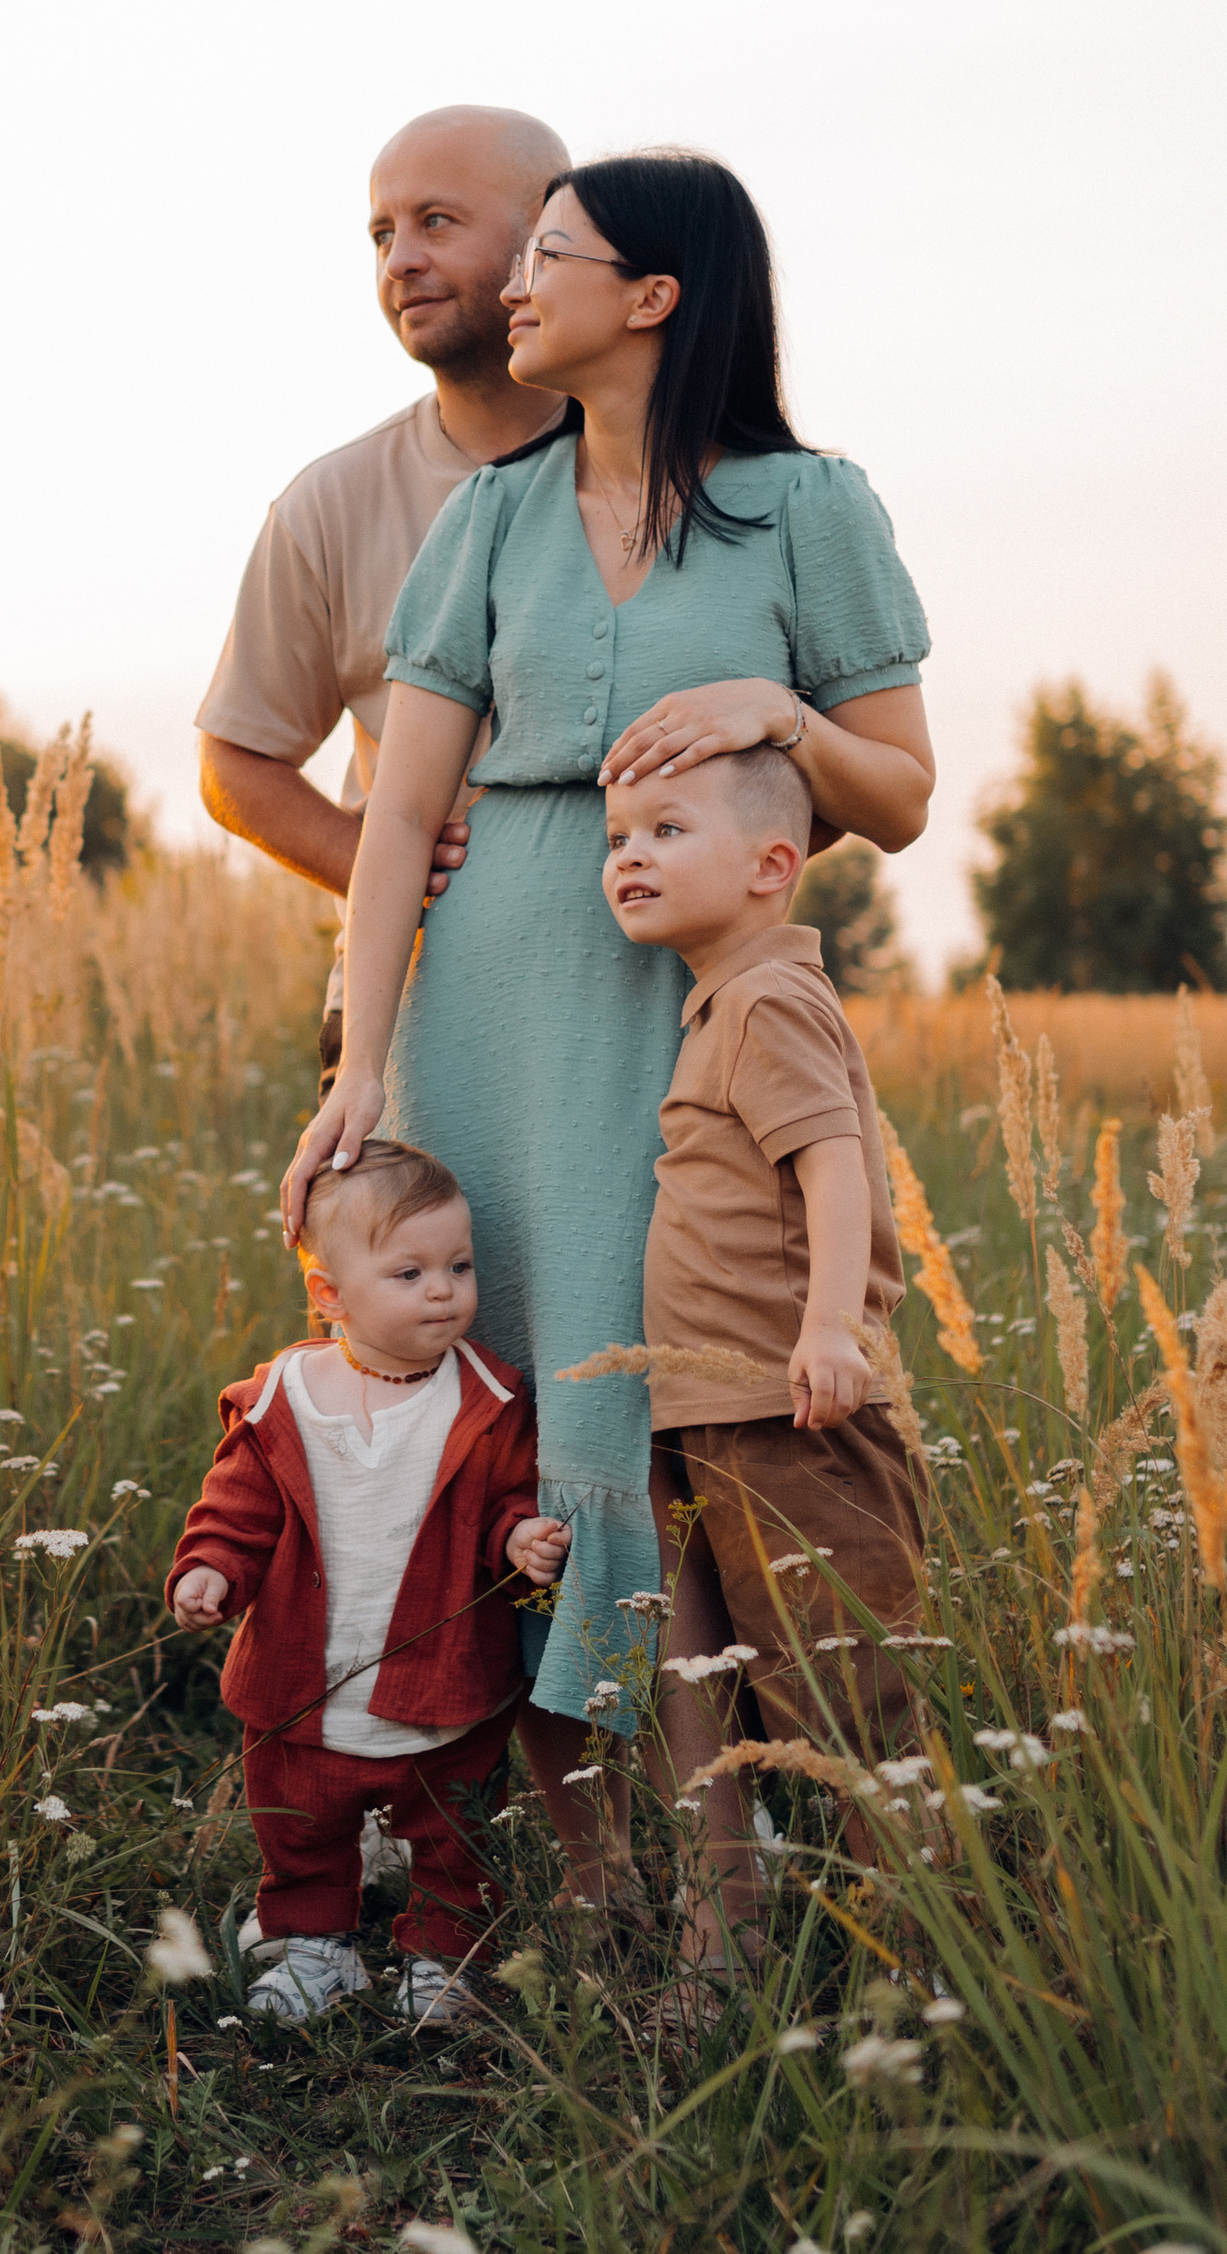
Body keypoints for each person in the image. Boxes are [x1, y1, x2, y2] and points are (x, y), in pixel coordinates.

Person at [279, 149, 934, 1920]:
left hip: (701, 1004)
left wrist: (779, 705)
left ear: (654, 297)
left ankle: (733, 1882)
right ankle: (586, 1883)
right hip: (492, 1012)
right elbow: (402, 819)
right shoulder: (486, 517)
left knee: (688, 1423)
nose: (512, 287)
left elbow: (904, 796)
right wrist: (362, 1074)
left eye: (550, 258)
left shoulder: (811, 507)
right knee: (529, 1436)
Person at [598, 743, 925, 1996]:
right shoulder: (716, 1000)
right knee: (759, 1680)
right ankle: (822, 1942)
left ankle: (921, 1959)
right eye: (619, 835)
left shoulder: (769, 1002)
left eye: (666, 828)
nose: (628, 853)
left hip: (788, 1405)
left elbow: (833, 1163)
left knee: (847, 1689)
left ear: (771, 866)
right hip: (715, 1406)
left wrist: (829, 1326)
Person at [197, 107, 572, 1086]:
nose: (399, 258)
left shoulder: (684, 477)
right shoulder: (332, 500)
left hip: (644, 1000)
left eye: (436, 222)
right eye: (380, 233)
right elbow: (234, 758)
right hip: (402, 1012)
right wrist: (388, 867)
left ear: (551, 235)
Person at [167, 1142, 569, 2029]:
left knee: (452, 1828)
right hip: (303, 1680)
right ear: (330, 1297)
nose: (444, 1290)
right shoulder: (285, 1398)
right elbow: (238, 1506)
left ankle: (445, 1956)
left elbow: (504, 1500)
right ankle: (317, 1947)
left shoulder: (487, 1399)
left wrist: (522, 1538)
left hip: (443, 1675)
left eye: (459, 1266)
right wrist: (211, 1569)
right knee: (299, 1825)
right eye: (410, 1272)